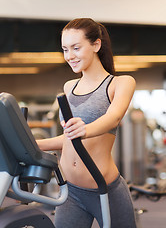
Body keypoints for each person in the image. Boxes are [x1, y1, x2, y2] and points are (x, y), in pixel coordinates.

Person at [37, 18, 137, 228]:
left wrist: (86, 129)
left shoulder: (120, 83)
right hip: (70, 191)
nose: (69, 56)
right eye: (65, 49)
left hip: (105, 189)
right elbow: (69, 138)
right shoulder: (69, 87)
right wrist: (32, 143)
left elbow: (113, 117)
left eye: (76, 48)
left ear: (96, 45)